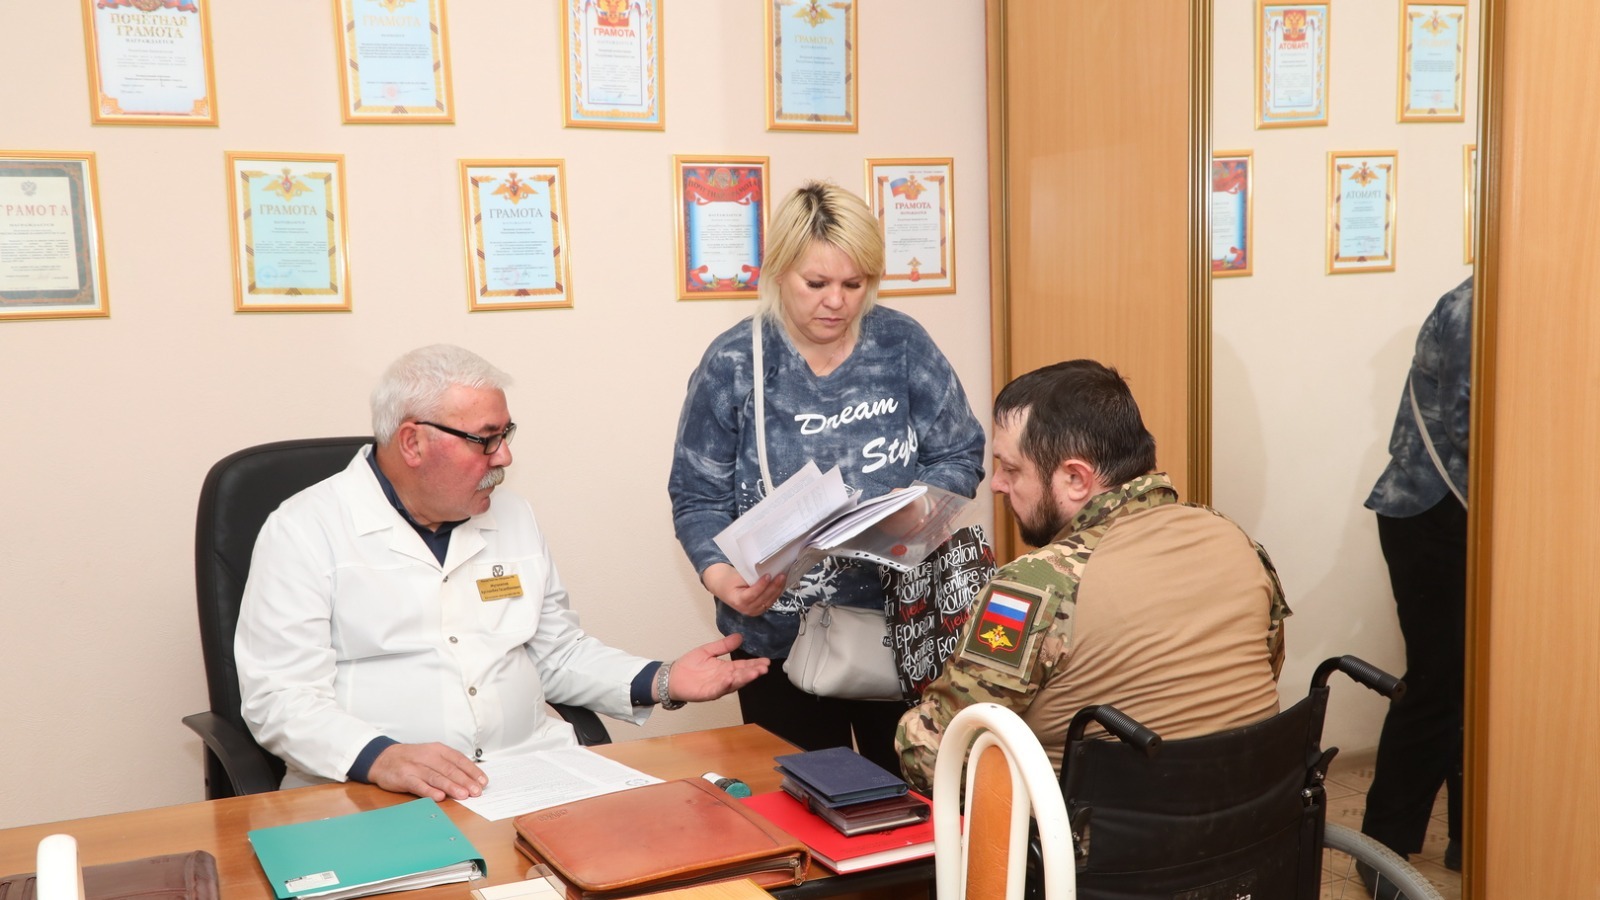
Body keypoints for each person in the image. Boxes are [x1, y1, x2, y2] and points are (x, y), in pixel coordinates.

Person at [236, 344, 769, 802]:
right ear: (413, 442)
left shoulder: (513, 517)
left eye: (506, 433)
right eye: (486, 438)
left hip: (526, 776)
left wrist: (663, 679)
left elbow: (555, 654)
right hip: (366, 792)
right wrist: (379, 757)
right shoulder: (304, 529)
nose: (505, 456)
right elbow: (280, 698)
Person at [668, 181, 987, 772]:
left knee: (910, 797)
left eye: (854, 284)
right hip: (779, 642)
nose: (836, 302)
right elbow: (696, 496)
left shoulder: (902, 345)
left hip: (902, 629)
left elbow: (961, 452)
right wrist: (723, 580)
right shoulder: (735, 362)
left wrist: (912, 513)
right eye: (815, 283)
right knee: (805, 801)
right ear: (779, 272)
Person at [896, 359, 1290, 791]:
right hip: (1255, 816)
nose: (997, 484)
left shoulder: (1034, 586)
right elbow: (1269, 666)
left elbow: (935, 757)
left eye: (1011, 468)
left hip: (1093, 832)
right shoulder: (1237, 542)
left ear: (1075, 478)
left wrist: (910, 718)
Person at [1361, 276, 1472, 872]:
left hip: (1467, 517)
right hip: (1431, 517)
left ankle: (1469, 839)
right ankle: (1381, 851)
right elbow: (1470, 423)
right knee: (1438, 685)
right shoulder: (1472, 306)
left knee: (1479, 686)